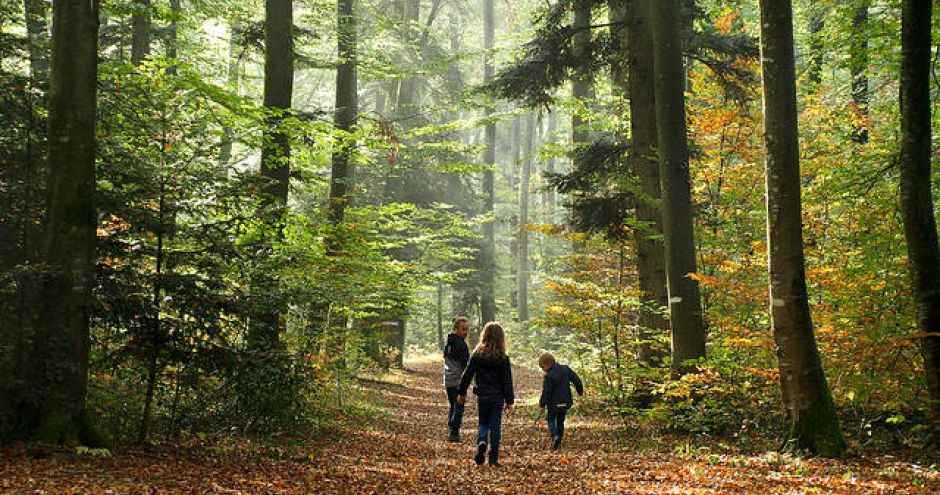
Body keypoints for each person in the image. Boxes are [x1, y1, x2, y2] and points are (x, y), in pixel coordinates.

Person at [457, 322, 514, 466]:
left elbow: (467, 374)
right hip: (497, 396)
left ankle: (482, 440)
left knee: (483, 422)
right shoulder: (503, 357)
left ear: (485, 335)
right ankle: (493, 459)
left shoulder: (478, 354)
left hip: (482, 395)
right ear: (501, 338)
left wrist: (461, 392)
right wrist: (510, 400)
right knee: (495, 427)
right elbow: (507, 380)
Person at [538, 352, 584, 450]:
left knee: (551, 419)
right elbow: (576, 380)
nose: (543, 370)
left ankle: (555, 436)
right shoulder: (565, 369)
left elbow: (546, 392)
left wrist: (542, 404)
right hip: (565, 401)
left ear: (548, 364)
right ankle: (559, 440)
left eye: (542, 367)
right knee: (560, 421)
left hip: (553, 403)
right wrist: (580, 391)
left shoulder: (549, 376)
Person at [443, 316, 471, 442]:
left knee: (453, 405)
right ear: (456, 329)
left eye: (467, 330)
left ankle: (451, 428)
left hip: (448, 379)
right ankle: (454, 432)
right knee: (459, 406)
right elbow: (466, 365)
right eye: (463, 329)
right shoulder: (461, 345)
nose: (466, 332)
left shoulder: (448, 342)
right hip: (457, 380)